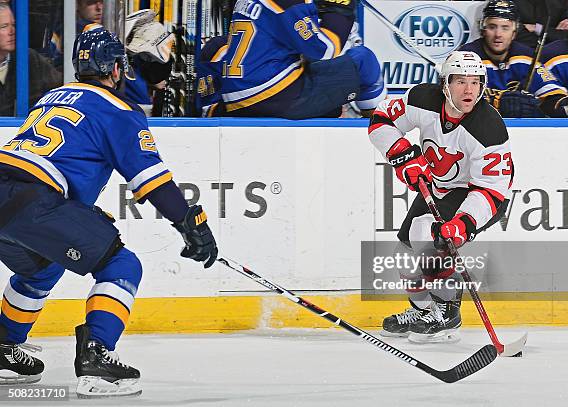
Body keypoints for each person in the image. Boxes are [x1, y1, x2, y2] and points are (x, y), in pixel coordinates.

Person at [0, 27, 217, 397]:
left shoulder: (52, 96)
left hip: (7, 195)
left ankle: (4, 350)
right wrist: (188, 223)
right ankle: (97, 357)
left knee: (42, 267)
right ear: (115, 68)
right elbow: (152, 182)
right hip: (35, 202)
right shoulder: (118, 110)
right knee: (122, 265)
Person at [368, 51, 513, 341]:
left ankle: (447, 312)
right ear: (445, 84)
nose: (469, 89)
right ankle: (423, 311)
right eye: (460, 81)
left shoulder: (488, 127)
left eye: (475, 82)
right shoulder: (423, 99)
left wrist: (463, 223)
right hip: (437, 186)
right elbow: (381, 119)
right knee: (404, 257)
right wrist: (404, 156)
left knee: (427, 241)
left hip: (478, 195)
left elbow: (493, 189)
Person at [213, 0, 386, 118]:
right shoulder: (286, 3)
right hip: (273, 96)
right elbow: (326, 48)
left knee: (332, 104)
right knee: (364, 60)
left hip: (238, 100)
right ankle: (380, 129)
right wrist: (339, 10)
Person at [460, 0, 568, 118]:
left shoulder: (526, 56)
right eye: (492, 27)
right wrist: (496, 103)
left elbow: (550, 91)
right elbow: (453, 98)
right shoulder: (466, 56)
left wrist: (565, 104)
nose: (498, 34)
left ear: (514, 32)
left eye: (505, 28)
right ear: (483, 29)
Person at [0, 5, 62, 116]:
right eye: (4, 26)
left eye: (13, 25)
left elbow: (60, 86)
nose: (12, 31)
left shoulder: (29, 58)